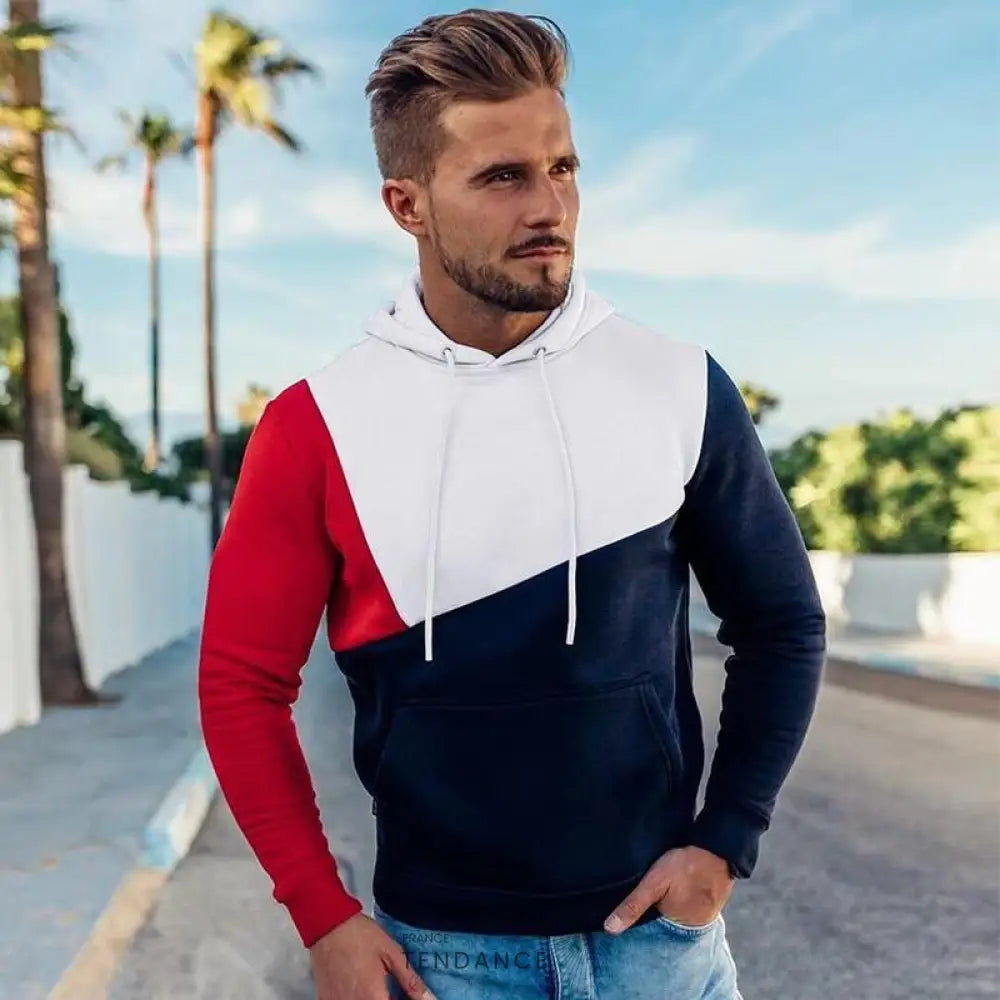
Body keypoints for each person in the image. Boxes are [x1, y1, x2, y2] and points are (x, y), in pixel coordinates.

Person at [197, 9, 827, 999]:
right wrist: (321, 913)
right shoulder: (316, 426)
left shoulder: (677, 383)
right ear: (407, 205)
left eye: (562, 168)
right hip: (442, 962)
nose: (550, 206)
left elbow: (782, 622)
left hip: (657, 949)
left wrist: (725, 841)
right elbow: (242, 683)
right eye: (502, 177)